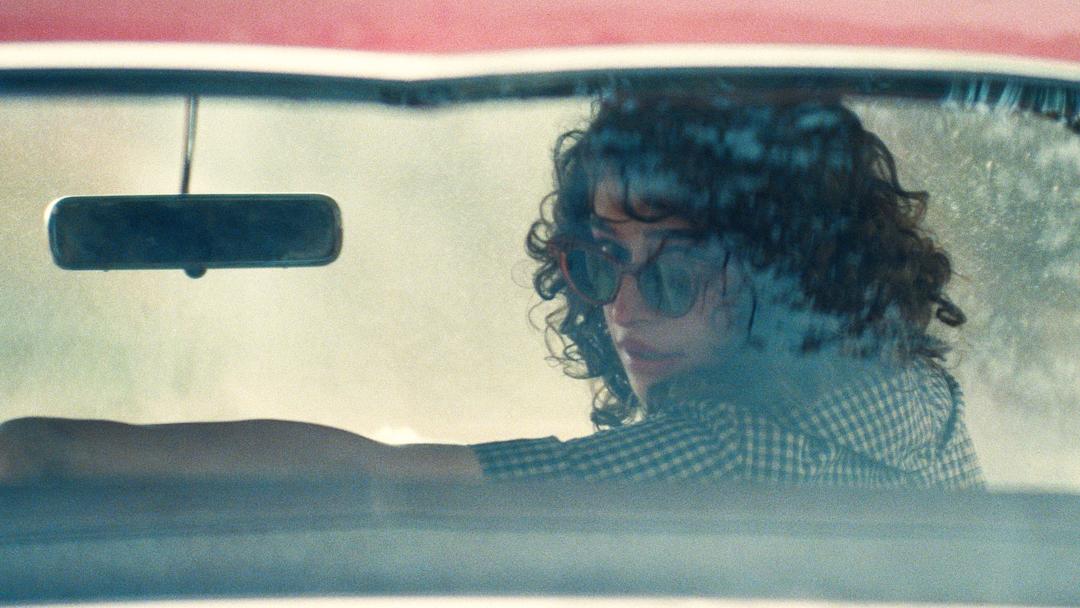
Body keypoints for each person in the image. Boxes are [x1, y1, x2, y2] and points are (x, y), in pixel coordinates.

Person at [0, 93, 983, 488]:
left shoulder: (724, 456)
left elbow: (382, 481)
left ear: (789, 272)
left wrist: (47, 453)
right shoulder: (918, 403)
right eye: (596, 261)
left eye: (677, 270)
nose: (621, 307)